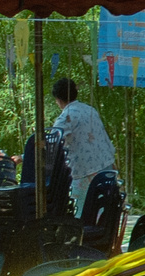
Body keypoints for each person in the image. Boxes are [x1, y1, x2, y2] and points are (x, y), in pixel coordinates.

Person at [50, 78, 116, 214]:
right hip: (106, 166)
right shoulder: (90, 110)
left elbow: (51, 144)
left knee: (83, 213)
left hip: (86, 172)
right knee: (103, 212)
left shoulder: (66, 117)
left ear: (58, 99)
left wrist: (23, 157)